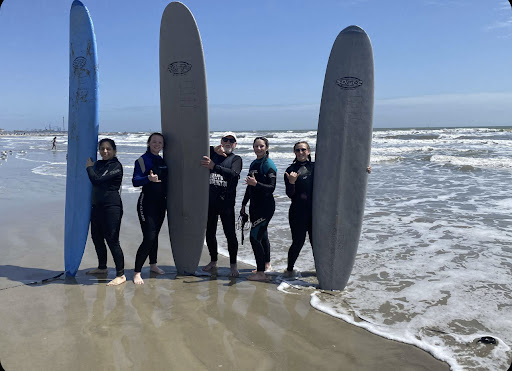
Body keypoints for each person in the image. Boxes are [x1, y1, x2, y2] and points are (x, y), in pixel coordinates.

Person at [200, 132, 242, 277]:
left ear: (235, 144)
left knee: (230, 235)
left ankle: (233, 265)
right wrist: (214, 149)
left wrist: (214, 166)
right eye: (225, 140)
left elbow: (234, 174)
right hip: (211, 203)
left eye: (232, 141)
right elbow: (200, 150)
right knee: (210, 233)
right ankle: (213, 261)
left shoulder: (236, 159)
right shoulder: (214, 155)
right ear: (221, 142)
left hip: (227, 204)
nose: (228, 142)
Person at [85, 138, 126, 286]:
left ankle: (121, 275)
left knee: (112, 240)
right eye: (102, 148)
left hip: (112, 208)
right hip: (97, 207)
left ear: (114, 150)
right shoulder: (100, 164)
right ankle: (102, 267)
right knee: (96, 237)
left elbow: (97, 180)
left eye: (108, 148)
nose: (105, 151)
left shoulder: (116, 166)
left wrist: (89, 168)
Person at [132, 133, 168, 285]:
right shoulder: (142, 160)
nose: (157, 144)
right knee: (149, 237)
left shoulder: (162, 160)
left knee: (155, 236)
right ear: (149, 143)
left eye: (160, 142)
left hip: (161, 203)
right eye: (154, 141)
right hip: (146, 203)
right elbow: (135, 181)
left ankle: (153, 265)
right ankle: (137, 272)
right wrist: (148, 179)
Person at [241, 137, 277, 281]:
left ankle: (261, 273)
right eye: (256, 146)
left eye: (261, 146)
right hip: (254, 206)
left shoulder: (269, 165)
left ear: (266, 147)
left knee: (254, 237)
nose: (258, 148)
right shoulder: (253, 163)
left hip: (265, 207)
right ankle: (266, 265)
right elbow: (250, 185)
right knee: (263, 236)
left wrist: (256, 184)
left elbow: (271, 188)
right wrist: (244, 204)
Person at [283, 141, 314, 278]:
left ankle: (323, 271)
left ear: (308, 151)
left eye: (303, 150)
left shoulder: (316, 167)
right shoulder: (290, 170)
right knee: (298, 242)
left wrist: (364, 170)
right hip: (298, 212)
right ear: (294, 152)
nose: (301, 152)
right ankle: (289, 270)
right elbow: (290, 195)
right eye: (297, 150)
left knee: (316, 243)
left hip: (315, 213)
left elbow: (337, 174)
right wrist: (291, 182)